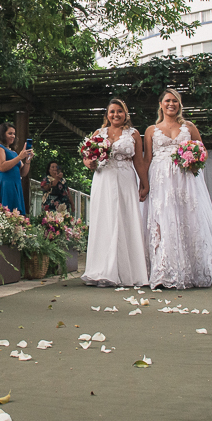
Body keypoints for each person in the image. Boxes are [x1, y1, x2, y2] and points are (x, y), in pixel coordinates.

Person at [142, 88, 212, 289]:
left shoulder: (188, 127)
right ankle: (165, 270)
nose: (171, 104)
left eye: (175, 101)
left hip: (185, 178)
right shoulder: (150, 130)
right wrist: (144, 185)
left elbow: (203, 150)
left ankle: (193, 270)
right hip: (161, 180)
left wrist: (194, 160)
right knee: (163, 219)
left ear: (179, 104)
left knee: (188, 217)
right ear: (161, 104)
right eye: (167, 101)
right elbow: (147, 159)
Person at [80, 99, 149, 287]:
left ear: (126, 114)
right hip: (103, 179)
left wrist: (145, 183)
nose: (116, 115)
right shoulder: (98, 133)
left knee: (125, 219)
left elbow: (139, 162)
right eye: (112, 112)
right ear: (107, 115)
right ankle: (102, 269)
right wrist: (88, 163)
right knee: (105, 220)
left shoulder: (133, 134)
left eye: (120, 111)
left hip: (126, 179)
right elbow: (87, 157)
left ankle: (128, 271)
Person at [0, 123, 32, 213]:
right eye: (10, 133)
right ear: (2, 134)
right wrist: (19, 157)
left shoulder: (13, 152)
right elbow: (1, 166)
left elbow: (23, 172)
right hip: (4, 185)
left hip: (15, 186)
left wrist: (28, 159)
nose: (13, 136)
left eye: (14, 134)